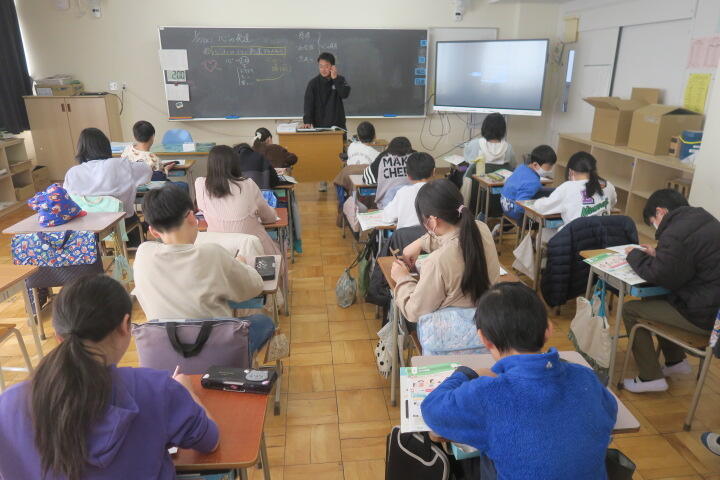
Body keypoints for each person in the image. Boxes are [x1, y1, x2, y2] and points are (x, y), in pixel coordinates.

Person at [0, 274, 219, 479]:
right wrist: (187, 391)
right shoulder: (157, 389)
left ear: (58, 336)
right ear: (125, 326)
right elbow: (210, 440)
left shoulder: (7, 405)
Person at [421, 282, 617, 479]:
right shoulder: (586, 378)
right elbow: (610, 411)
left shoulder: (487, 393)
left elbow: (431, 409)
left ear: (484, 339)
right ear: (548, 329)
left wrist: (467, 373)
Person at [134, 184, 275, 354]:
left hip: (166, 353)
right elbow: (254, 287)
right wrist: (241, 263)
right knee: (263, 322)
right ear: (191, 217)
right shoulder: (212, 253)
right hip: (217, 352)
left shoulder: (143, 255)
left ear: (153, 232)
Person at [621, 189, 720, 393]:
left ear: (660, 212)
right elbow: (688, 258)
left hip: (703, 316)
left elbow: (659, 275)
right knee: (656, 297)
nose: (655, 228)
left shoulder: (676, 232)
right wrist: (658, 253)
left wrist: (634, 255)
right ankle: (676, 362)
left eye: (652, 222)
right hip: (711, 307)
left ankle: (650, 377)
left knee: (630, 310)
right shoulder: (703, 218)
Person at [391, 179, 501, 323]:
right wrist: (420, 243)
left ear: (432, 221)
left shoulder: (437, 262)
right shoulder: (481, 228)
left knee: (400, 305)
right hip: (490, 320)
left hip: (454, 331)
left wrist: (402, 278)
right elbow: (453, 237)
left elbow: (414, 312)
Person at [63, 127, 152, 243]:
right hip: (122, 224)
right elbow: (148, 172)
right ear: (106, 145)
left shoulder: (72, 173)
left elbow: (68, 200)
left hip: (89, 229)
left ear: (81, 149)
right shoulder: (119, 164)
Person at [196, 145, 284, 261]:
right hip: (250, 251)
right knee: (276, 256)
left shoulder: (200, 184)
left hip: (218, 252)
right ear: (235, 163)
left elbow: (201, 208)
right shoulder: (247, 184)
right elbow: (268, 217)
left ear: (210, 165)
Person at [531, 151, 616, 226]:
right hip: (603, 235)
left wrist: (539, 201)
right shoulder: (608, 185)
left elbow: (542, 208)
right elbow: (612, 203)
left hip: (576, 237)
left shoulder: (567, 187)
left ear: (570, 171)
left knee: (546, 233)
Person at [500, 145, 557, 222]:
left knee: (552, 191)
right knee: (551, 214)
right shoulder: (533, 182)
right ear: (535, 165)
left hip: (505, 206)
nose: (550, 170)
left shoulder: (521, 167)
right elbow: (520, 207)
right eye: (549, 167)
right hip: (516, 213)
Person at [382, 152, 435, 229]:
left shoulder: (402, 192)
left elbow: (387, 217)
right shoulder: (440, 191)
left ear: (408, 175)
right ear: (433, 172)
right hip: (433, 235)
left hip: (405, 236)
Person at [302, 52, 351, 131]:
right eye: (321, 66)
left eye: (326, 66)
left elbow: (344, 94)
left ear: (332, 67)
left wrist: (335, 79)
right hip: (320, 125)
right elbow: (308, 104)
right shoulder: (313, 83)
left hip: (338, 125)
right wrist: (307, 121)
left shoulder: (340, 79)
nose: (323, 69)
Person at [361, 136, 415, 208]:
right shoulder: (415, 157)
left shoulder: (383, 157)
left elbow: (367, 178)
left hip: (387, 204)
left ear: (389, 148)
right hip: (412, 203)